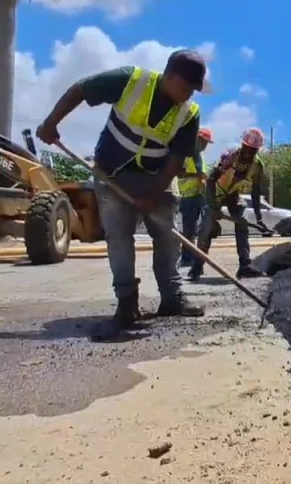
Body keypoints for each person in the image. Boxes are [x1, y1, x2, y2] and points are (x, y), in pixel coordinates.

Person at [36, 49, 211, 328]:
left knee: (167, 236)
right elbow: (80, 89)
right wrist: (51, 123)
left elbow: (176, 158)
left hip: (157, 176)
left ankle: (172, 297)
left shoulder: (189, 113)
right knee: (119, 237)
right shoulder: (131, 80)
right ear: (169, 76)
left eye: (194, 89)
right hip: (112, 173)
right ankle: (127, 302)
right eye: (186, 86)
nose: (190, 94)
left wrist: (154, 196)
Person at [189, 128, 268, 281]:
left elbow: (255, 193)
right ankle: (196, 267)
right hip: (215, 193)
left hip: (234, 196)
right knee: (206, 229)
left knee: (242, 224)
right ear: (243, 145)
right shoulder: (230, 157)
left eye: (253, 150)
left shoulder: (258, 165)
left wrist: (259, 219)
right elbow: (211, 181)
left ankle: (245, 265)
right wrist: (213, 207)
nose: (250, 153)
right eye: (248, 148)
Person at [176, 128, 213, 266]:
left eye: (207, 143)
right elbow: (181, 173)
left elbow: (201, 177)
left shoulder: (194, 156)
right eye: (204, 142)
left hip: (193, 196)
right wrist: (198, 177)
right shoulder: (190, 156)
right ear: (197, 139)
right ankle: (187, 257)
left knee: (192, 229)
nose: (205, 145)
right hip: (190, 196)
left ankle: (189, 256)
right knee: (190, 230)